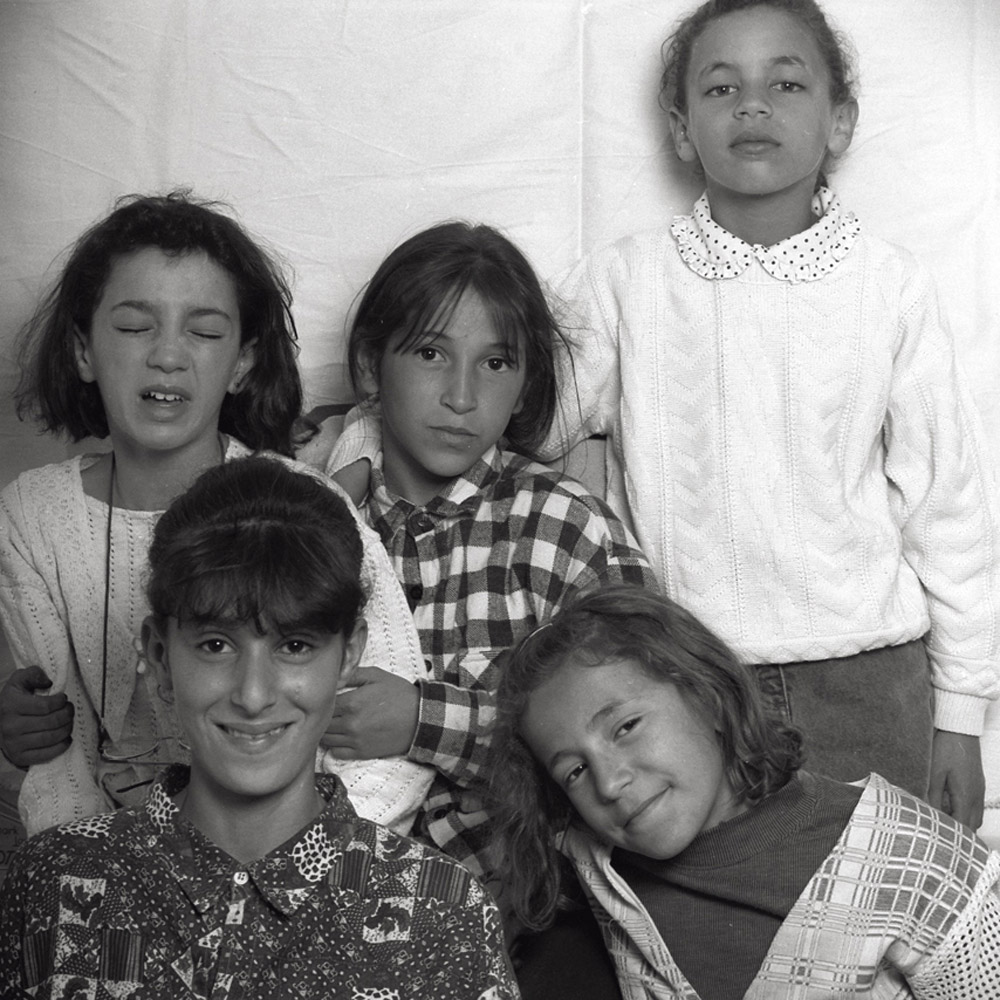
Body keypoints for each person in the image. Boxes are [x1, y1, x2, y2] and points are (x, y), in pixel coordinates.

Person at [535, 0, 997, 827]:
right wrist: (366, 426)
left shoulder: (889, 285)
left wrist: (961, 715)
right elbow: (517, 419)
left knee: (872, 901)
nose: (753, 105)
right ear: (683, 130)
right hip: (681, 681)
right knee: (709, 906)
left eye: (786, 83)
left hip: (867, 679)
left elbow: (949, 509)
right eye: (721, 88)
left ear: (839, 120)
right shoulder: (625, 282)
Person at [0, 457, 516, 999]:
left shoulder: (443, 911)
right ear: (160, 655)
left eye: (294, 646)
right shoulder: (53, 880)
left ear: (348, 656)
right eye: (215, 645)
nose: (252, 695)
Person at [0, 191, 431, 838]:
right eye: (135, 326)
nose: (168, 355)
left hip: (301, 850)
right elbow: (59, 764)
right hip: (116, 862)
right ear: (83, 349)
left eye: (202, 332)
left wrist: (295, 868)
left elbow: (386, 750)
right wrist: (116, 877)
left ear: (243, 363)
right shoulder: (32, 517)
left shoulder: (305, 506)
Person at [322, 221, 654, 996]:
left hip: (535, 917)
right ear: (371, 365)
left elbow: (640, 740)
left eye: (496, 363)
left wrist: (422, 720)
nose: (462, 396)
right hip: (339, 919)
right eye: (430, 354)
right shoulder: (325, 523)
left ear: (526, 383)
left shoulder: (562, 524)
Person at [490, 583, 1000, 999]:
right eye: (575, 771)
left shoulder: (920, 864)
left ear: (707, 695)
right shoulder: (597, 870)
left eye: (625, 727)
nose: (609, 782)